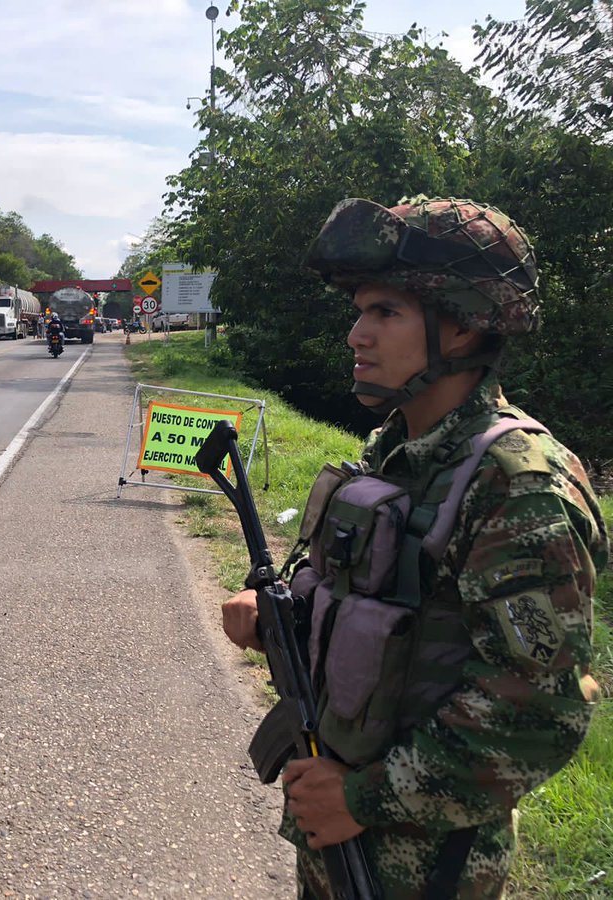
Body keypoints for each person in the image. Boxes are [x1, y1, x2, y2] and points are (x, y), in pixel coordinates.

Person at [222, 196, 608, 900]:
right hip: (336, 830)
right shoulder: (397, 451)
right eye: (361, 310)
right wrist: (280, 611)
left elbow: (538, 714)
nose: (356, 335)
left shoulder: (516, 486)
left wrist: (363, 798)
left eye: (386, 313)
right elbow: (380, 605)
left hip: (421, 864)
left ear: (460, 327)